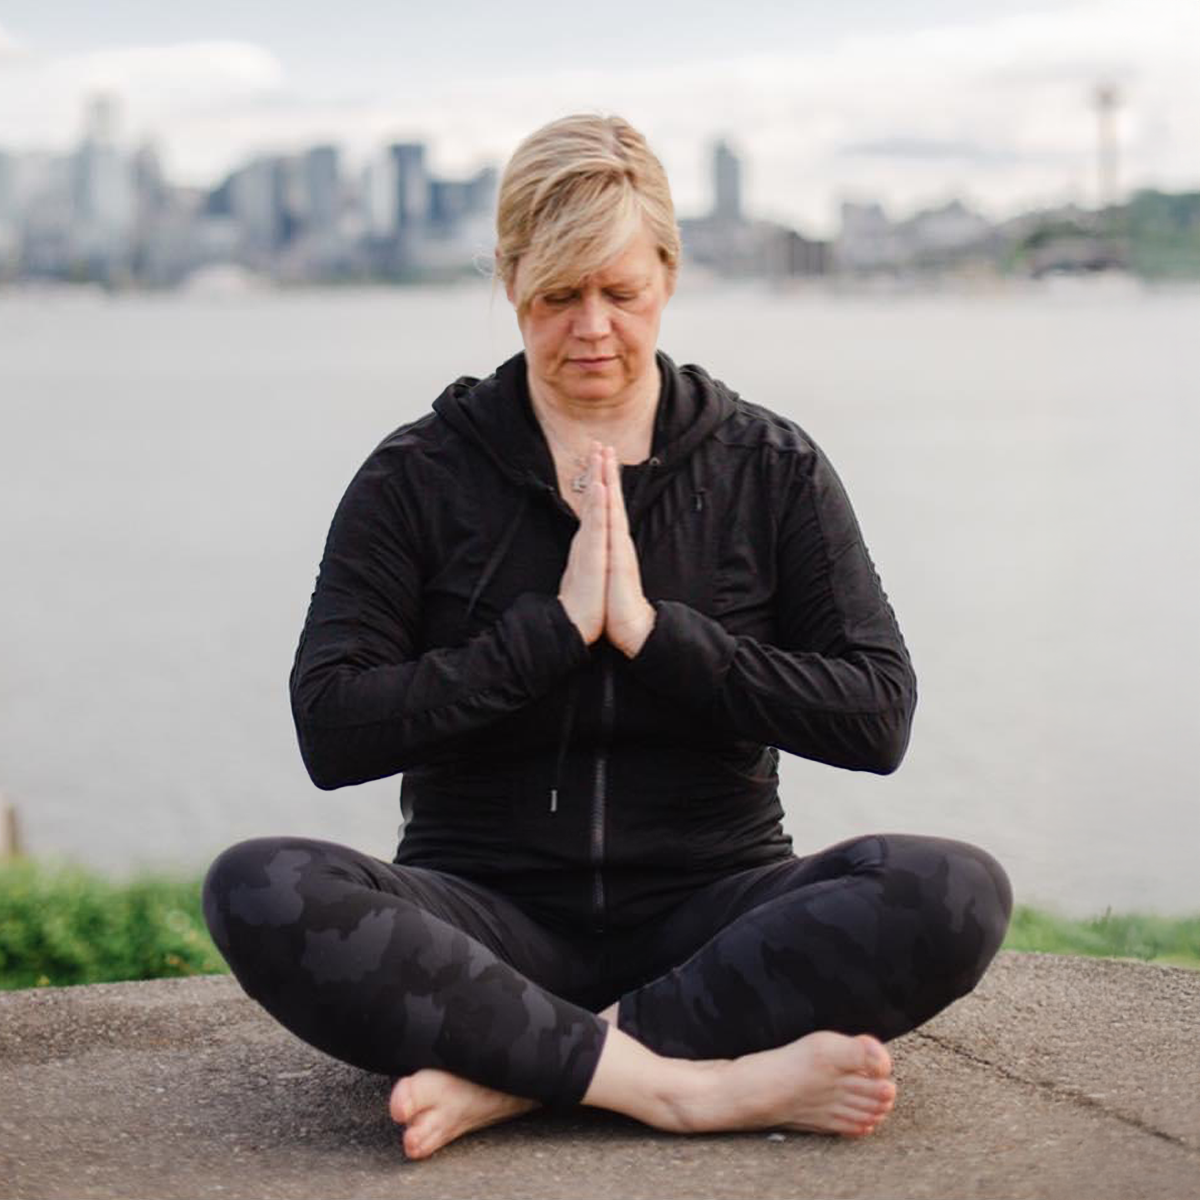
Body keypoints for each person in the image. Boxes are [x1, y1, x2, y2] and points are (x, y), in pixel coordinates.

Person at [203, 114, 1011, 1160]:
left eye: (621, 294)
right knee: (259, 887)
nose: (592, 327)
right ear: (507, 281)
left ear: (668, 275)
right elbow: (332, 728)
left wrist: (647, 632)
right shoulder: (420, 475)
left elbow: (876, 714)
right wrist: (552, 633)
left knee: (953, 891)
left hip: (713, 912)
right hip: (483, 921)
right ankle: (689, 1090)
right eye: (557, 295)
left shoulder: (768, 466)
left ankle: (516, 1079)